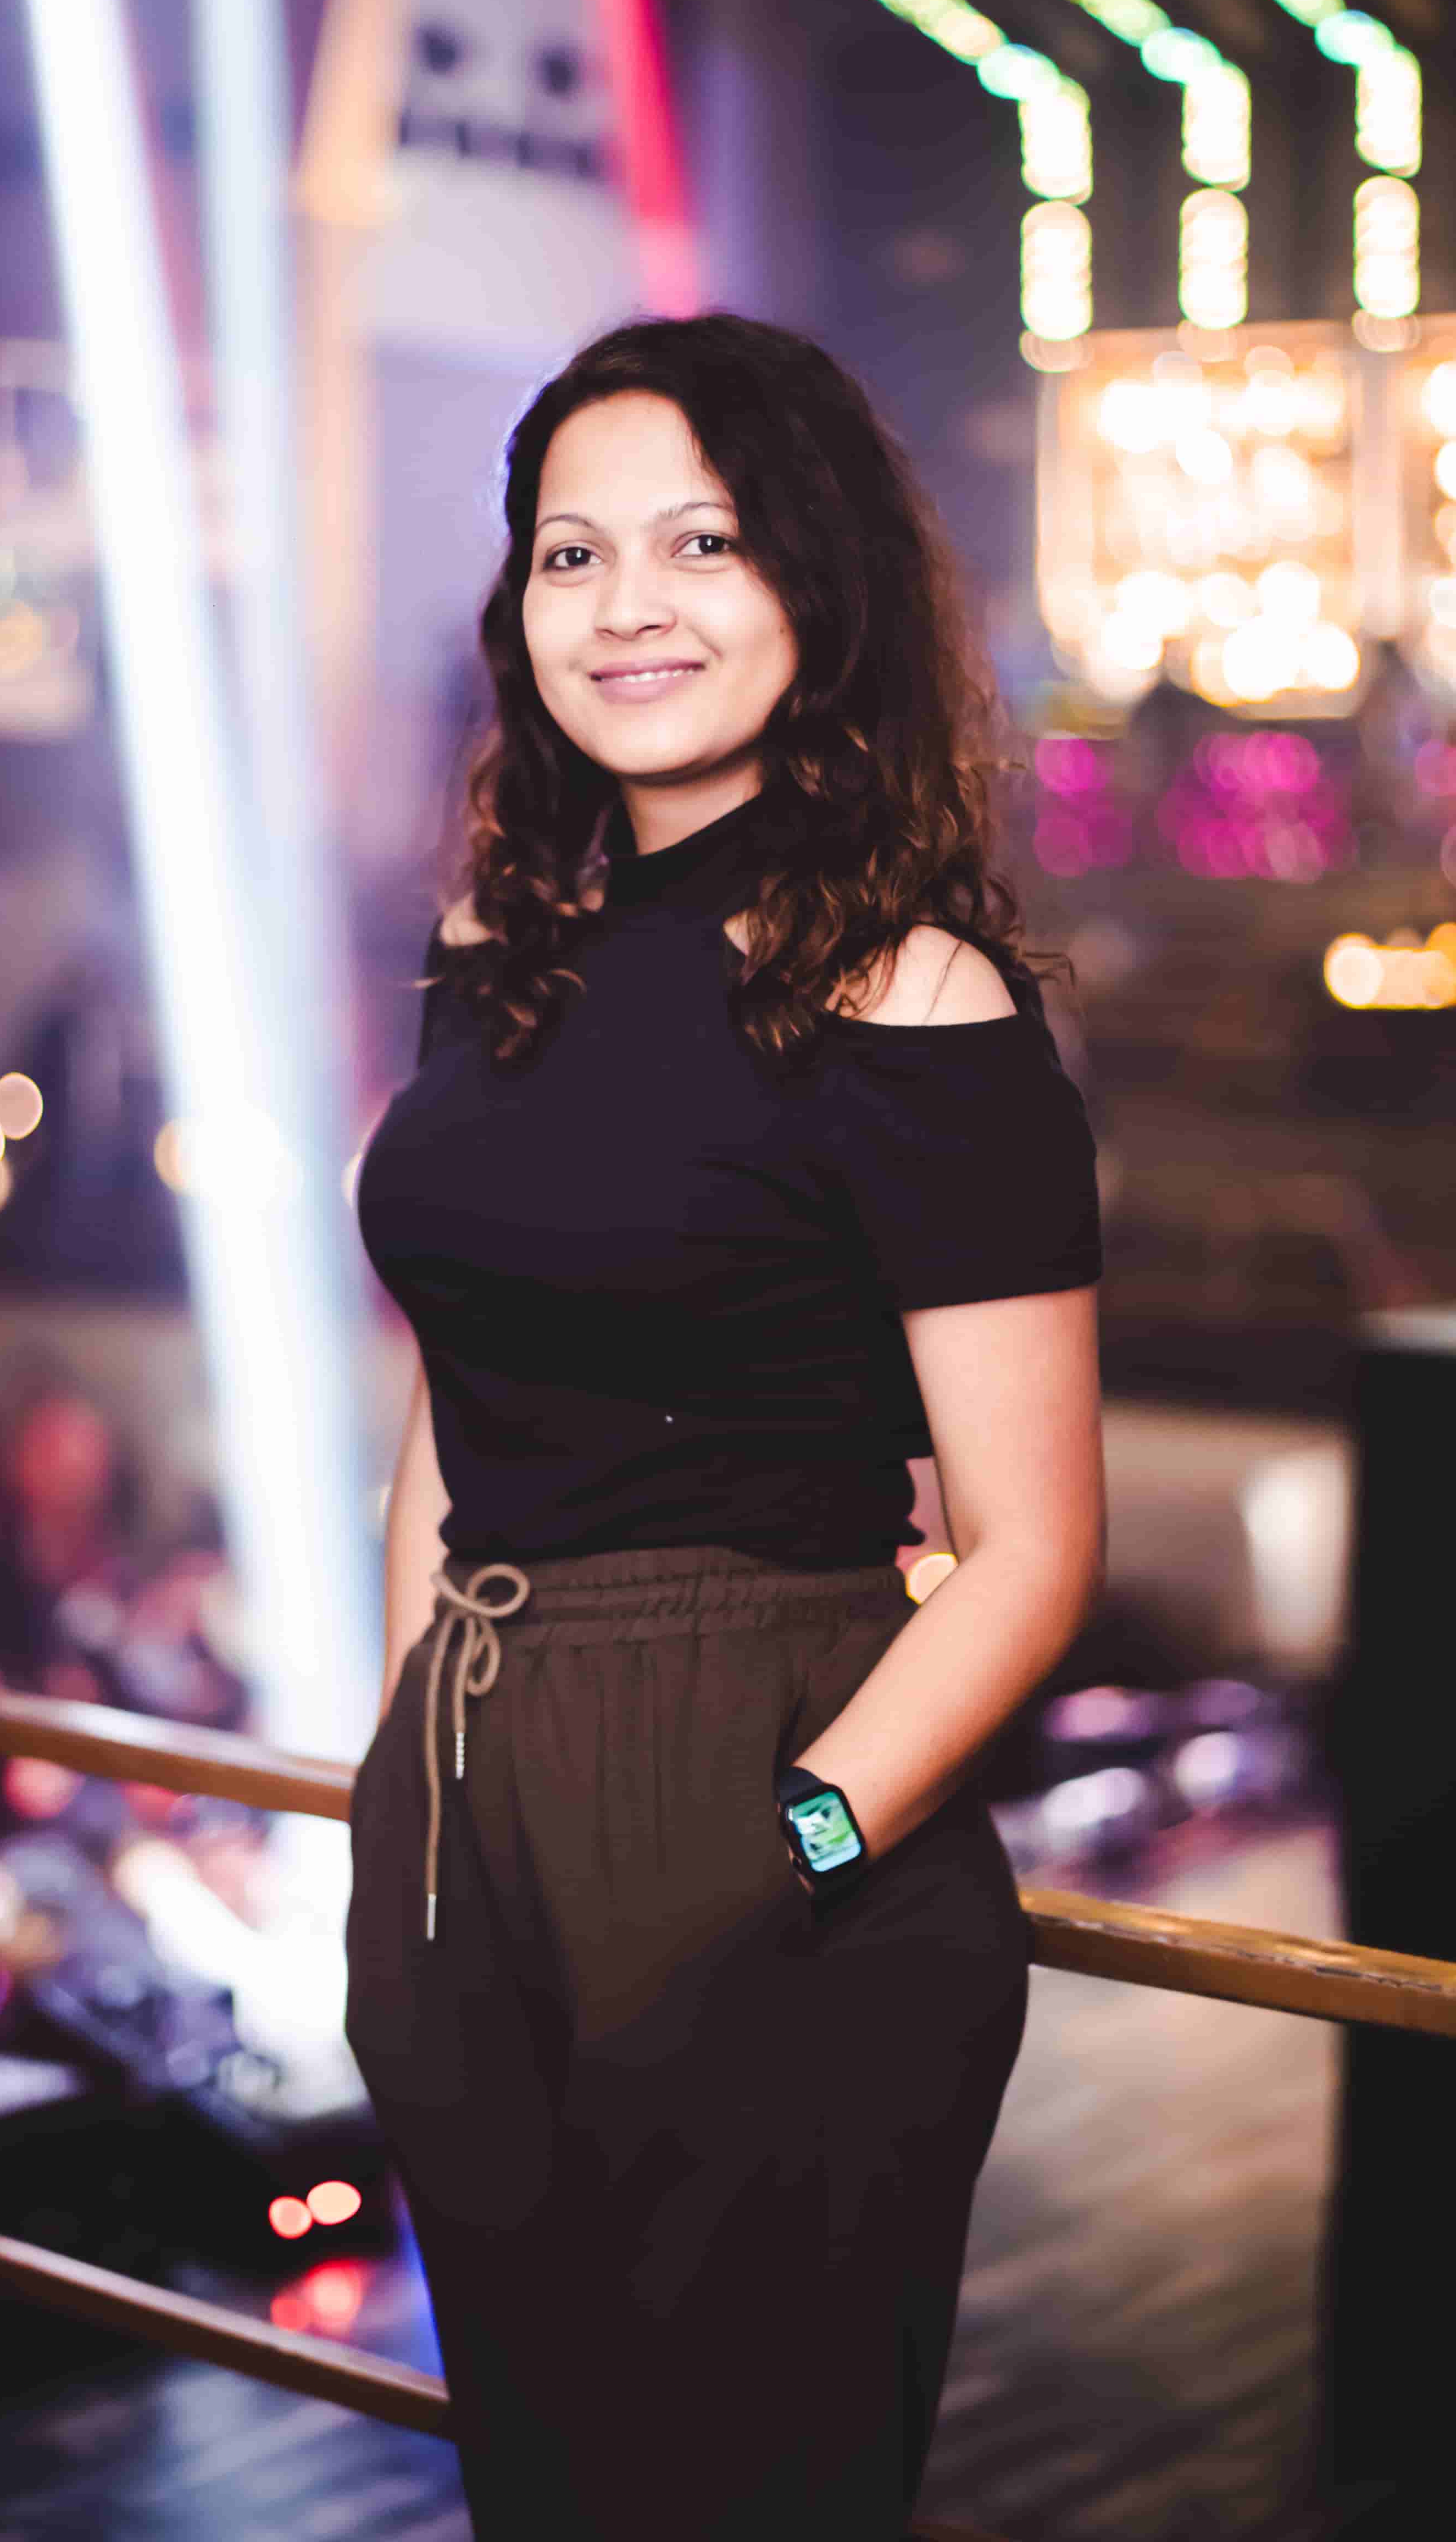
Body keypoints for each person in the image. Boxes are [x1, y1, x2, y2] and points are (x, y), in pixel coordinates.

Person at [345, 313, 1106, 2541]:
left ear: (817, 581)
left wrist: (795, 1851)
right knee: (546, 2491)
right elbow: (452, 1386)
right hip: (472, 1805)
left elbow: (1035, 1549)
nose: (628, 605)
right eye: (571, 555)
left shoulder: (914, 991)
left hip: (766, 1786)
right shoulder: (499, 940)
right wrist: (404, 1779)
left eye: (702, 542)